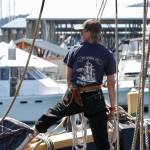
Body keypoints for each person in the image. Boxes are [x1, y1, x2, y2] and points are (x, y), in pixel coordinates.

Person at [19, 19, 116, 150]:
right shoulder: (107, 54)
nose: (81, 33)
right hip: (95, 98)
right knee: (101, 139)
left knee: (51, 115)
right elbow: (111, 83)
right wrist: (113, 108)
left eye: (82, 31)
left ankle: (26, 139)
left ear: (88, 33)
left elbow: (69, 78)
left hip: (74, 95)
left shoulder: (75, 50)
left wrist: (69, 95)